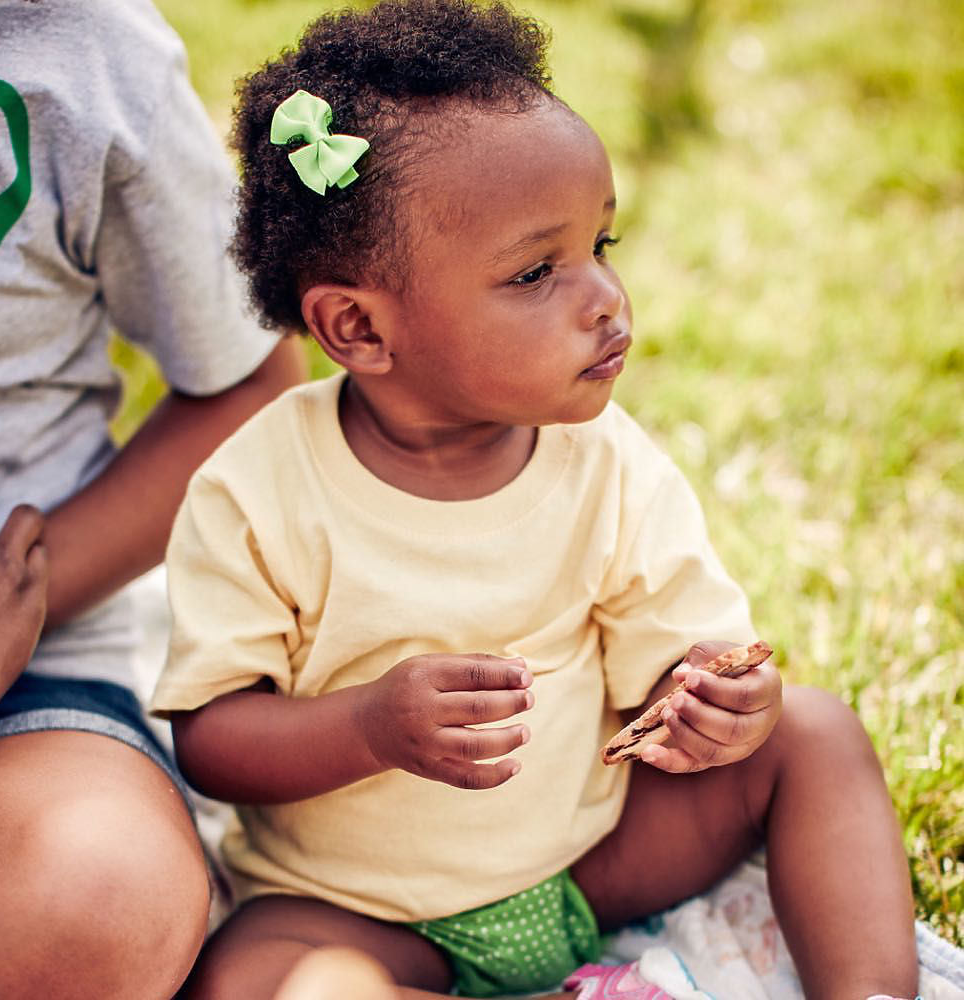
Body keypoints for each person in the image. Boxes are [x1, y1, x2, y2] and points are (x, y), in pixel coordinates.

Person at [150, 2, 920, 998]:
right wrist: (371, 728)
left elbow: (675, 668)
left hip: (591, 863)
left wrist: (719, 703)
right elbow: (211, 738)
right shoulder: (256, 492)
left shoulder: (602, 460)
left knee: (812, 733)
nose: (602, 294)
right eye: (535, 270)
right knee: (259, 978)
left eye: (602, 242)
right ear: (358, 328)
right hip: (360, 907)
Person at [0, 0, 305, 997]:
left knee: (94, 899)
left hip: (30, 644)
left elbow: (250, 383)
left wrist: (3, 613)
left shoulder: (83, 54)